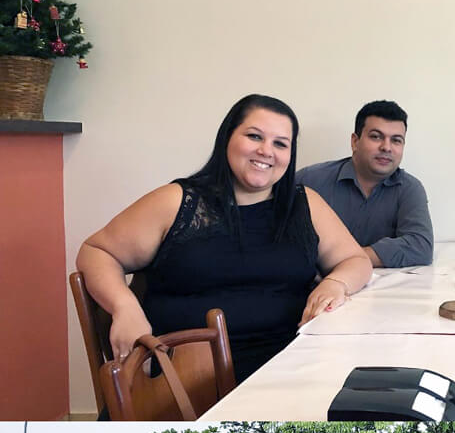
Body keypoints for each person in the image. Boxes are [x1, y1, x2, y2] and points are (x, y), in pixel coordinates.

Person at [77, 94, 372, 384]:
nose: (267, 151)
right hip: (185, 380)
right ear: (227, 138)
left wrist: (336, 282)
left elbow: (355, 260)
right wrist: (123, 306)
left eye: (280, 143)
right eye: (255, 136)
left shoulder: (305, 203)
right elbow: (96, 251)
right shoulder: (176, 202)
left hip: (289, 369)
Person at [296, 100, 433, 268]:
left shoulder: (410, 189)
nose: (386, 147)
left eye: (396, 140)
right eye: (376, 137)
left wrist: (348, 261)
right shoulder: (309, 180)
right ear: (355, 141)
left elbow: (420, 246)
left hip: (381, 289)